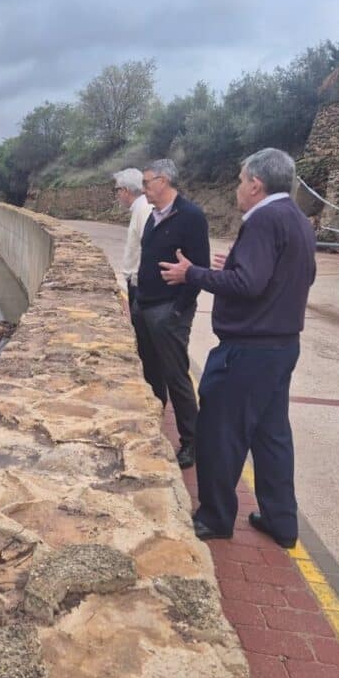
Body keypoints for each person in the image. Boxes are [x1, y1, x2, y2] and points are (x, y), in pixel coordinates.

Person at [159, 148, 316, 548]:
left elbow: (249, 285)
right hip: (281, 348)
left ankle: (214, 517)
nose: (237, 187)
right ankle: (282, 521)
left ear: (256, 185)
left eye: (241, 180)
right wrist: (235, 266)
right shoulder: (298, 219)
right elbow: (297, 275)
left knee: (218, 432)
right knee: (272, 436)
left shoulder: (264, 219)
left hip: (248, 351)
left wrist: (192, 274)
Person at [132, 159, 210, 469]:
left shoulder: (190, 217)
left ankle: (192, 442)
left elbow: (199, 269)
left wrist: (178, 310)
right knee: (151, 373)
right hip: (145, 306)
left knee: (176, 375)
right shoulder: (153, 216)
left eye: (148, 182)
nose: (144, 188)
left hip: (169, 311)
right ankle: (153, 427)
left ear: (164, 181)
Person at [113, 166, 154, 319]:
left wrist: (138, 279)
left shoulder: (144, 209)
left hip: (140, 283)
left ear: (125, 190)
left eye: (117, 190)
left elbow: (149, 246)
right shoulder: (142, 207)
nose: (117, 194)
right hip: (138, 282)